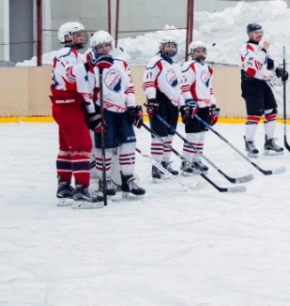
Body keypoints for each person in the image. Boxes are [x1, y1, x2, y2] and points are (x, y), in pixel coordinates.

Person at [87, 30, 145, 197]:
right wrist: (92, 112)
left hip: (123, 112)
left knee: (128, 145)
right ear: (94, 49)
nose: (105, 49)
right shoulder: (91, 66)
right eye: (101, 47)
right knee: (105, 147)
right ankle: (105, 180)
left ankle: (128, 179)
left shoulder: (121, 62)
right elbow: (88, 90)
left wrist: (132, 107)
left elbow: (129, 87)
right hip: (104, 111)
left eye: (107, 45)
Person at [51, 22, 103, 206]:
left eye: (82, 34)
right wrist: (89, 63)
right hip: (68, 105)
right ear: (66, 37)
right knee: (82, 146)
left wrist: (91, 109)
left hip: (71, 105)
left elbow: (84, 85)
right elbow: (71, 76)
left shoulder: (75, 55)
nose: (81, 37)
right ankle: (81, 190)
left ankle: (64, 187)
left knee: (67, 147)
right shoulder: (64, 54)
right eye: (77, 35)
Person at [240, 23, 288, 156]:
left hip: (263, 82)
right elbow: (256, 65)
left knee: (271, 111)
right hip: (251, 83)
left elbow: (270, 63)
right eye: (256, 32)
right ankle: (249, 142)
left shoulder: (262, 46)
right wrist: (264, 49)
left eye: (260, 32)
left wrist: (279, 70)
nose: (259, 34)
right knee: (255, 114)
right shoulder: (246, 47)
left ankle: (269, 142)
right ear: (249, 34)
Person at [143, 37, 186, 178]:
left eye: (173, 46)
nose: (171, 48)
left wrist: (183, 105)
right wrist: (152, 99)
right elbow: (148, 81)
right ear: (161, 48)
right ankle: (156, 166)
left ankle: (165, 163)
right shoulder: (155, 61)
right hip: (159, 101)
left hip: (173, 104)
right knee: (159, 135)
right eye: (168, 46)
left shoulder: (176, 65)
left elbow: (179, 87)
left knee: (169, 135)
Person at [180, 40, 219, 173]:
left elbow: (209, 87)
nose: (200, 53)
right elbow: (184, 86)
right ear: (192, 53)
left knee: (201, 135)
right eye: (197, 51)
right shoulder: (189, 66)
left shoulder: (208, 68)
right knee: (193, 135)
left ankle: (196, 160)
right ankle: (186, 162)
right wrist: (189, 102)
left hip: (204, 106)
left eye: (202, 51)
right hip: (193, 106)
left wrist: (212, 103)